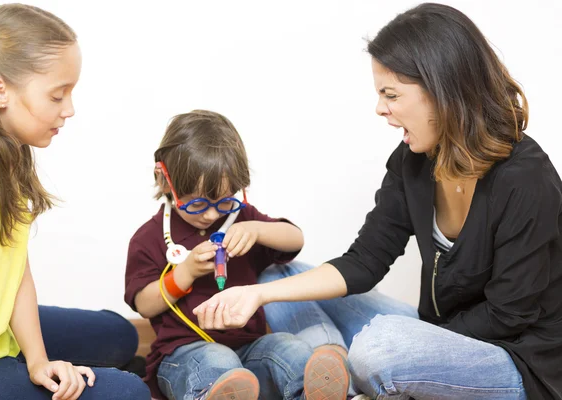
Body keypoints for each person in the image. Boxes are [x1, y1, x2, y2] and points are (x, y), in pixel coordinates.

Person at [193, 3, 562, 400]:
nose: (380, 108)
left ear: (442, 89)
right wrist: (257, 296)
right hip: (429, 333)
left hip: (514, 363)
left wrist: (415, 342)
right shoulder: (413, 162)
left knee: (382, 347)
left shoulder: (525, 178)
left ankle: (353, 371)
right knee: (276, 279)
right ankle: (336, 379)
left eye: (391, 94)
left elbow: (508, 315)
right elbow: (365, 261)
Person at [0, 4, 150, 399]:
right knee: (128, 391)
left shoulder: (5, 155)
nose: (69, 109)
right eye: (57, 95)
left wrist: (37, 361)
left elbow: (16, 272)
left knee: (120, 335)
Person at [124, 110, 350, 400]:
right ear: (164, 179)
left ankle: (312, 392)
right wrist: (186, 272)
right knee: (218, 360)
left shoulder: (241, 219)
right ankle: (216, 393)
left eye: (223, 202)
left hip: (249, 348)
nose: (210, 214)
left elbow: (295, 240)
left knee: (287, 347)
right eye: (195, 204)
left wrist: (257, 229)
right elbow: (144, 304)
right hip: (182, 353)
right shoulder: (149, 238)